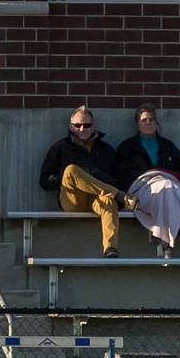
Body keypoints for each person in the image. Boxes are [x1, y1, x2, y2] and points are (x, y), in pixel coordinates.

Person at [38, 106, 134, 258]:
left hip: (97, 199)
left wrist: (96, 177)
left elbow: (118, 178)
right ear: (70, 126)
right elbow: (44, 180)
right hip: (73, 199)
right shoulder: (61, 148)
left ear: (93, 126)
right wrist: (66, 180)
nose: (82, 128)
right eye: (77, 125)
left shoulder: (106, 150)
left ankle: (110, 248)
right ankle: (119, 195)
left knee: (108, 200)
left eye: (87, 125)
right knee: (71, 170)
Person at [113, 103, 180, 258]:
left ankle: (163, 242)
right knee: (167, 186)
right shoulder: (127, 147)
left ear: (157, 123)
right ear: (137, 124)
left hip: (166, 189)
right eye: (144, 120)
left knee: (167, 188)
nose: (148, 123)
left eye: (151, 120)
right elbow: (122, 173)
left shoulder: (167, 146)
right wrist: (152, 176)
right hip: (140, 190)